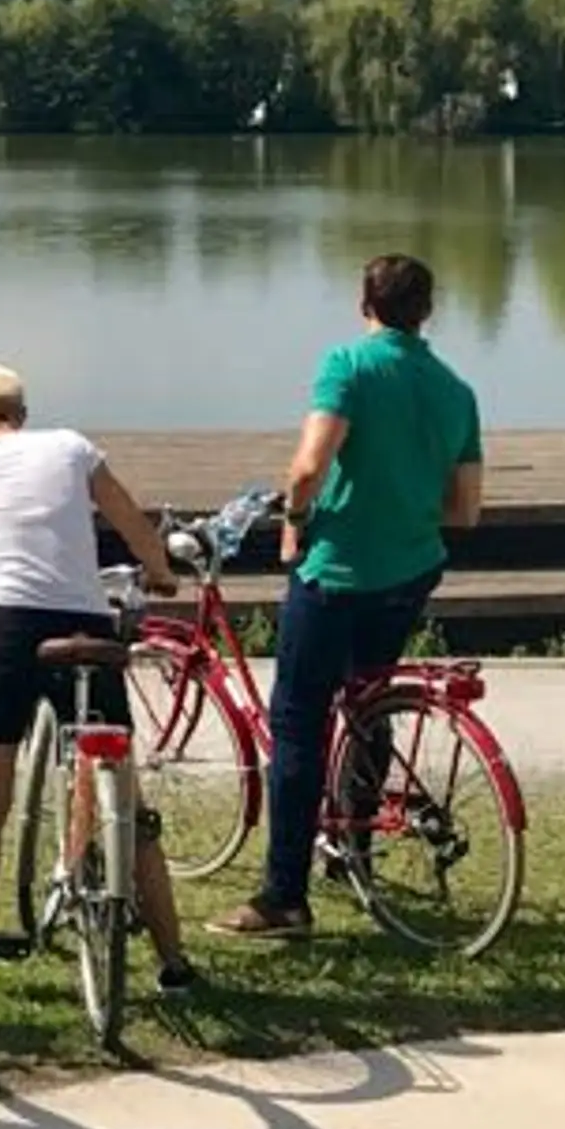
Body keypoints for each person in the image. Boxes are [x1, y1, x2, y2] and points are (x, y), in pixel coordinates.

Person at [0, 363, 196, 999]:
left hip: (6, 628)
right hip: (85, 623)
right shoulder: (71, 447)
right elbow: (131, 520)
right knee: (128, 800)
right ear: (20, 414)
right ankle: (175, 964)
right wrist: (159, 572)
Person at [214, 254, 484, 942]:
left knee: (300, 720)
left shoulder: (351, 366)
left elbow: (308, 466)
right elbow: (465, 511)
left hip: (339, 570)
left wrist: (295, 523)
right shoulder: (456, 390)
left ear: (365, 303)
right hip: (412, 570)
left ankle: (283, 896)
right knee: (367, 698)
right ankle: (353, 845)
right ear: (428, 311)